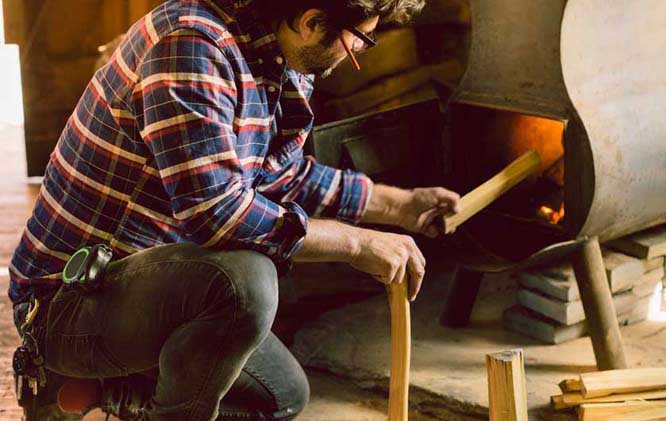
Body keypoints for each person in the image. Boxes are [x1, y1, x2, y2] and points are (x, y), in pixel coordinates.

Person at [8, 0, 461, 419]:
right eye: (357, 42)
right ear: (311, 22)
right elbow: (218, 214)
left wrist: (400, 206)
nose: (353, 54)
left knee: (280, 397)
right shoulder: (191, 46)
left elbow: (284, 176)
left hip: (155, 288)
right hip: (69, 305)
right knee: (245, 283)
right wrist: (357, 244)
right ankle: (66, 376)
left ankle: (115, 392)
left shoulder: (275, 56)